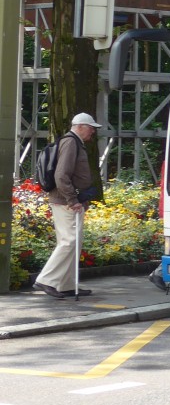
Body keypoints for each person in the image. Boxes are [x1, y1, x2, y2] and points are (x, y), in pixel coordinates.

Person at [33, 112, 102, 299]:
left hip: (70, 200)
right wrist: (73, 200)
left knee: (74, 242)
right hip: (66, 201)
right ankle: (46, 280)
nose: (92, 132)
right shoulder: (71, 142)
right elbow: (61, 175)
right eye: (91, 128)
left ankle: (66, 285)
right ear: (79, 126)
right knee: (69, 241)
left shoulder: (73, 142)